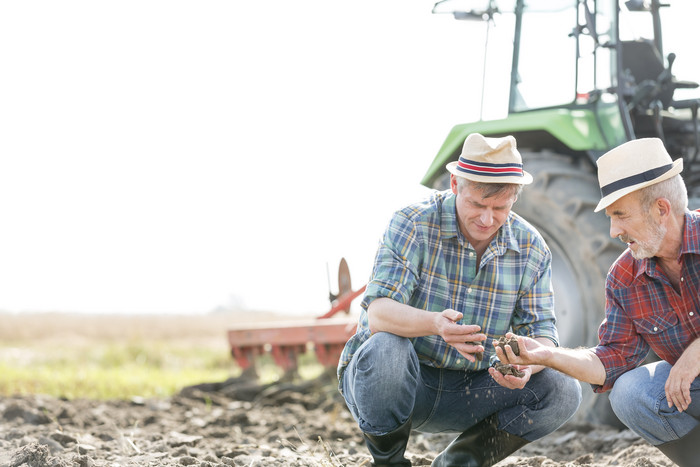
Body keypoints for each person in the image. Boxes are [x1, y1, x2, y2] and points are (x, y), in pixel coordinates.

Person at [337, 133, 582, 467]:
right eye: (477, 204)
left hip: (472, 391)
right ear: (455, 184)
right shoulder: (411, 223)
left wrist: (527, 365)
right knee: (387, 349)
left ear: (514, 199)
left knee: (563, 386)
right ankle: (389, 462)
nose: (486, 219)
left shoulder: (532, 249)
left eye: (500, 208)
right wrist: (435, 324)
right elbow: (378, 313)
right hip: (400, 383)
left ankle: (459, 463)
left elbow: (543, 335)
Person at [495, 137, 700, 467]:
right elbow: (613, 358)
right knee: (630, 393)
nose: (612, 230)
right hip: (693, 388)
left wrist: (694, 354)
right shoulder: (624, 277)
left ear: (661, 210)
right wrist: (546, 355)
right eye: (609, 216)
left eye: (620, 214)